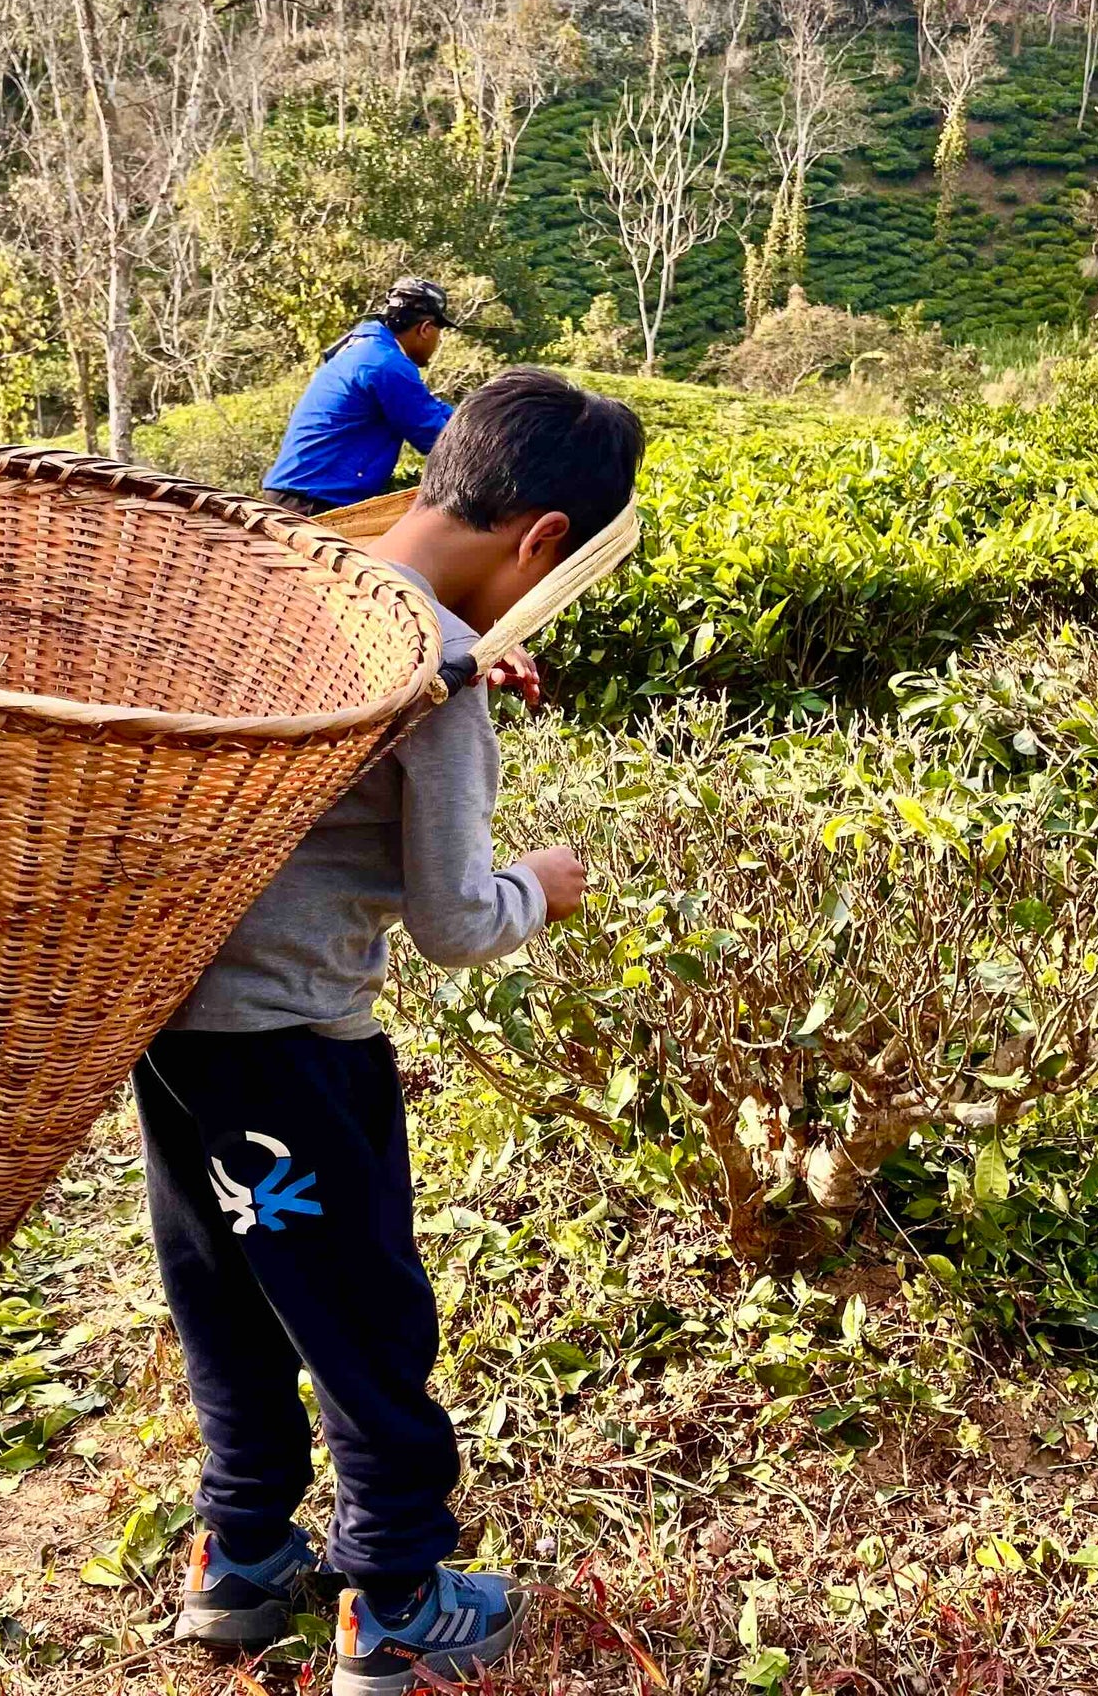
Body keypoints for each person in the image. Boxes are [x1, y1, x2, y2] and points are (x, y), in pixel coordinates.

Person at [133, 368, 644, 1694]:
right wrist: (547, 882)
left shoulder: (296, 583)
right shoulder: (439, 681)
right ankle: (400, 1602)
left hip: (169, 1024)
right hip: (299, 1049)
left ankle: (239, 1562)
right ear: (542, 542)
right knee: (362, 1315)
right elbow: (458, 923)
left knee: (229, 1298)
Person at [263, 277, 458, 516]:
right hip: (314, 503)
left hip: (296, 496)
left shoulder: (367, 350)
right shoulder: (386, 364)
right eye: (440, 332)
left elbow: (432, 409)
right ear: (426, 329)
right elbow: (439, 438)